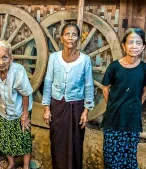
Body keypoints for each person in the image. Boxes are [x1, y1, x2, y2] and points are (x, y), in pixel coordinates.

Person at [42, 23, 94, 169]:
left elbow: (89, 85)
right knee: (57, 141)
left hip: (76, 108)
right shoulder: (53, 57)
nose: (70, 37)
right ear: (61, 38)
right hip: (57, 106)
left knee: (76, 142)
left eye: (74, 34)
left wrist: (86, 111)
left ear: (78, 38)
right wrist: (46, 108)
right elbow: (48, 82)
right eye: (67, 34)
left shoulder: (85, 60)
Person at [102, 28, 146, 169]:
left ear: (143, 47)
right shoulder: (114, 67)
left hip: (132, 120)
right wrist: (112, 106)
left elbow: (145, 90)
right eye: (130, 42)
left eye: (138, 43)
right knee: (111, 158)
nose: (134, 46)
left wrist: (136, 106)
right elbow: (105, 88)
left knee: (129, 159)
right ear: (124, 45)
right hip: (113, 119)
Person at [0, 41, 32, 169]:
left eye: (5, 57)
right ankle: (12, 163)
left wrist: (25, 115)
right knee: (5, 140)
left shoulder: (18, 71)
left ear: (11, 58)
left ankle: (26, 166)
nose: (1, 62)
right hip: (3, 111)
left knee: (24, 139)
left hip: (20, 109)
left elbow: (26, 94)